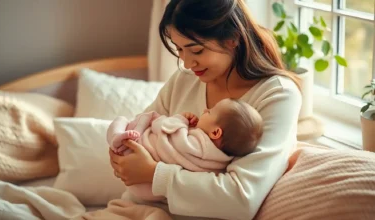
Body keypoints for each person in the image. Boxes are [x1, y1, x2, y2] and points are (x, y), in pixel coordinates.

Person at [109, 0, 302, 219]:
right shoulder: (184, 80)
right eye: (179, 49)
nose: (188, 63)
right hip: (131, 210)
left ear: (233, 39)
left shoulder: (277, 95)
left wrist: (153, 174)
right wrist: (122, 152)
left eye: (197, 51)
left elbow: (242, 198)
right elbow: (138, 132)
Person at [107, 98, 263, 202]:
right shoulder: (219, 162)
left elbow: (167, 129)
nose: (205, 110)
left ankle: (117, 137)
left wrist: (181, 119)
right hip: (151, 192)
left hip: (137, 152)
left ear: (215, 133)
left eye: (210, 111)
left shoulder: (196, 143)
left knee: (122, 120)